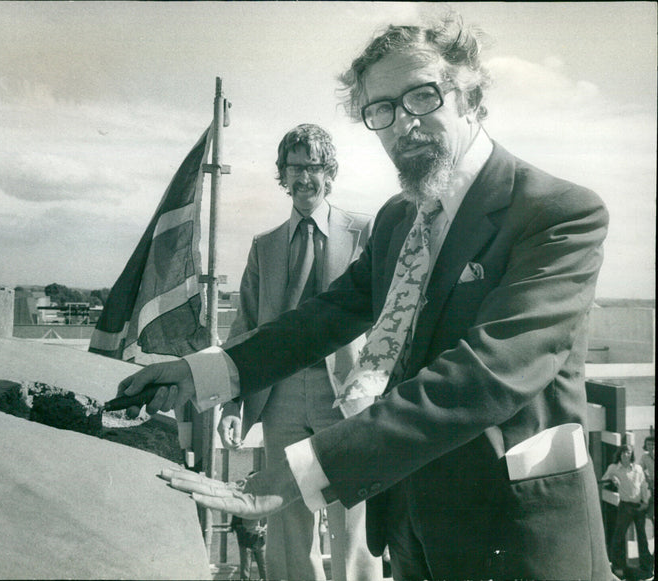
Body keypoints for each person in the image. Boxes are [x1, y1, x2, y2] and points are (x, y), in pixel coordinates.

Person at [117, 5, 612, 579]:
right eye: (381, 110)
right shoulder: (400, 219)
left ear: (471, 97)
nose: (402, 125)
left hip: (513, 538)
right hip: (409, 531)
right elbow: (324, 318)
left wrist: (308, 467)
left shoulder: (557, 213)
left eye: (422, 97)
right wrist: (204, 372)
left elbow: (488, 373)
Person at [218, 123, 382, 581]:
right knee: (286, 515)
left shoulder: (364, 233)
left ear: (329, 173)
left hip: (345, 393)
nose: (304, 177)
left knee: (353, 514)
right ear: (283, 175)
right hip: (280, 395)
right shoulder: (264, 246)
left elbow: (390, 319)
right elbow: (243, 330)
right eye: (295, 167)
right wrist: (232, 402)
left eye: (313, 167)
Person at [602, 444, 652, 578]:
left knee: (642, 538)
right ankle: (618, 568)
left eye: (628, 452)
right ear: (620, 454)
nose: (626, 455)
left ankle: (646, 568)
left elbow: (643, 485)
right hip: (625, 507)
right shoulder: (613, 468)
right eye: (623, 452)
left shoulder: (638, 468)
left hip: (639, 507)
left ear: (632, 454)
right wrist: (612, 479)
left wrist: (646, 502)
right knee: (619, 537)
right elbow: (603, 481)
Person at [231, 514, 267, 580]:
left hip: (260, 543)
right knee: (245, 573)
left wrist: (265, 529)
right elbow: (234, 526)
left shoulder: (263, 509)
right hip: (245, 544)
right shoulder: (240, 509)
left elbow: (269, 523)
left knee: (265, 570)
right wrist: (249, 529)